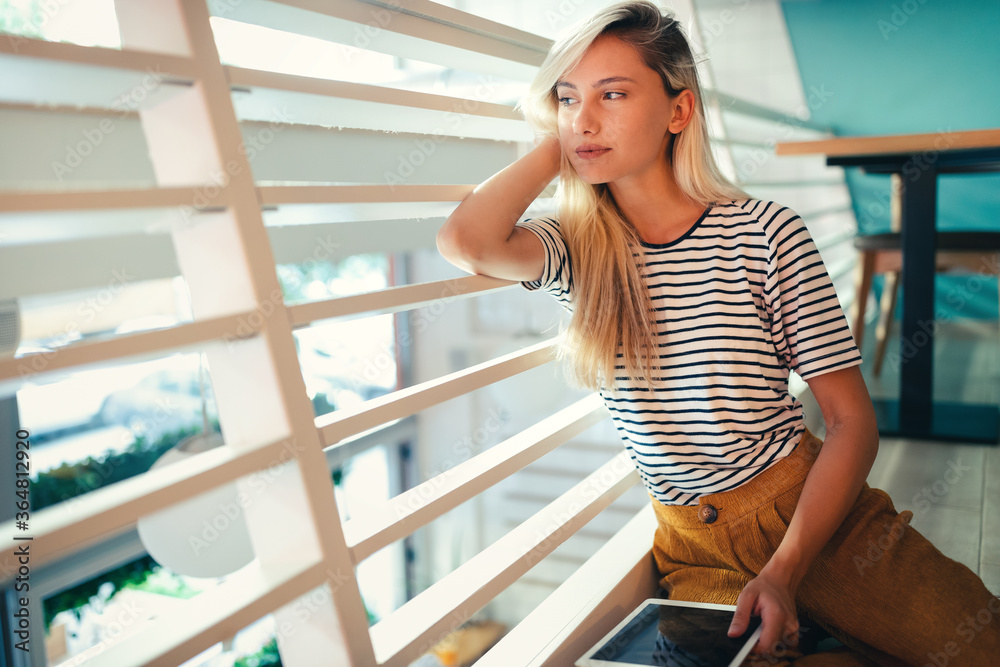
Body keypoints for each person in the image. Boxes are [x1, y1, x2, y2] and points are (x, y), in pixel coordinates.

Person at [435, 1, 1000, 664]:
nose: (584, 119)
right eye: (567, 98)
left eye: (613, 94)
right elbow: (465, 241)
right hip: (693, 546)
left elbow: (852, 423)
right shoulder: (575, 247)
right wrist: (557, 145)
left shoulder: (766, 232)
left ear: (679, 112)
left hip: (815, 515)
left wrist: (786, 569)